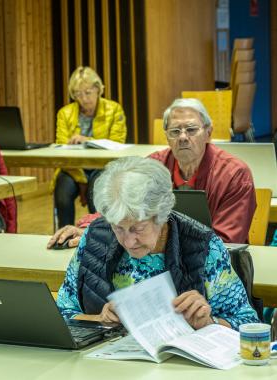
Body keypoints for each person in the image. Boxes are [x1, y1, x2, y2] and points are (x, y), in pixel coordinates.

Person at [56, 156, 259, 330]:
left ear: (161, 215)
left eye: (138, 228)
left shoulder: (204, 247)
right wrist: (99, 319)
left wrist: (207, 322)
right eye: (118, 228)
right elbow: (64, 311)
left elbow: (248, 323)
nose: (128, 241)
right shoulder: (96, 237)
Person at [48, 97, 256, 248]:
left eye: (191, 130)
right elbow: (119, 209)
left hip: (218, 271)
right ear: (166, 136)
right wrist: (88, 231)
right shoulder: (152, 166)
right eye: (175, 131)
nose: (183, 137)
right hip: (157, 260)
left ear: (208, 133)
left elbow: (227, 242)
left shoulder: (234, 174)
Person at [53, 66, 127, 228]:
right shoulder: (64, 113)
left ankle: (99, 237)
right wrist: (81, 181)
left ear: (98, 89)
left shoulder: (114, 109)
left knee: (96, 192)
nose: (84, 98)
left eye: (87, 92)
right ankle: (64, 237)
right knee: (62, 195)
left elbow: (117, 142)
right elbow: (60, 147)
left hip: (103, 166)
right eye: (78, 94)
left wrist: (87, 140)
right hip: (73, 168)